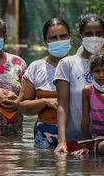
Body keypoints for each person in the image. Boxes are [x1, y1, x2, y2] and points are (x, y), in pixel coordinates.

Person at [54, 14, 104, 153]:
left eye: (99, 33)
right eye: (89, 34)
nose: (94, 37)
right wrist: (62, 141)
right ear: (80, 36)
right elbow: (62, 105)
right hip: (75, 140)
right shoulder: (67, 64)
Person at [17, 18, 71, 149]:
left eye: (63, 36)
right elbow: (21, 106)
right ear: (46, 41)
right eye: (53, 37)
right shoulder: (36, 68)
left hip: (76, 135)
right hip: (45, 136)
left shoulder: (81, 66)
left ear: (70, 37)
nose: (59, 41)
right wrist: (45, 102)